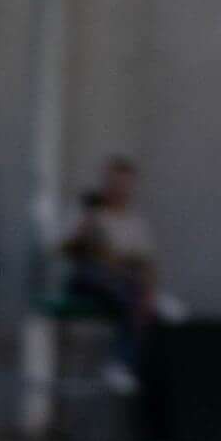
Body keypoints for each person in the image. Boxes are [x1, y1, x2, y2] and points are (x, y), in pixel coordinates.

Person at [61, 156, 169, 394]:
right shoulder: (88, 213)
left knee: (138, 298)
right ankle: (121, 362)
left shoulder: (136, 224)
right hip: (89, 280)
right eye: (114, 183)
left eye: (124, 184)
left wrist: (148, 287)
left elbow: (146, 262)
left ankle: (121, 363)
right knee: (119, 283)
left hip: (124, 285)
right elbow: (68, 251)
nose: (118, 190)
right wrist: (85, 231)